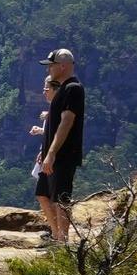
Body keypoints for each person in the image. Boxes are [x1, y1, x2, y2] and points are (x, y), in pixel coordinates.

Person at [37, 48, 85, 243]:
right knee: (44, 193)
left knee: (61, 198)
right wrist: (45, 151)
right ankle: (56, 235)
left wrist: (52, 153)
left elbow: (67, 122)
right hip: (53, 154)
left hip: (64, 154)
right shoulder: (62, 89)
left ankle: (63, 241)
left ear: (63, 66)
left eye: (52, 65)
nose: (49, 69)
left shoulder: (73, 89)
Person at [29, 75, 59, 236]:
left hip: (52, 159)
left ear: (55, 89)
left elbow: (58, 135)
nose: (43, 92)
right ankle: (56, 231)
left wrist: (47, 152)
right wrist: (41, 131)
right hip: (47, 155)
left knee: (46, 195)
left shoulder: (58, 110)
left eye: (46, 89)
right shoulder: (53, 109)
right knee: (46, 194)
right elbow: (51, 133)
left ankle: (57, 232)